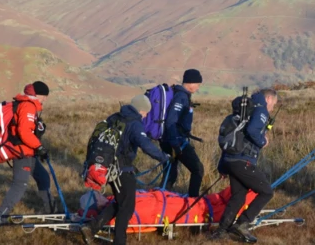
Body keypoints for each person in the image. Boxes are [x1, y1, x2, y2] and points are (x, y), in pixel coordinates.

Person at [80, 95, 170, 245]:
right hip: (121, 170)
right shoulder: (134, 124)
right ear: (141, 110)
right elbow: (145, 145)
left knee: (122, 203)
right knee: (127, 208)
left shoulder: (115, 117)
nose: (146, 115)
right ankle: (118, 241)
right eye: (146, 112)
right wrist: (164, 157)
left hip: (108, 167)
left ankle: (91, 228)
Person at [210, 88, 277, 243]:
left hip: (231, 161)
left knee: (238, 197)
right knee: (267, 192)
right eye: (274, 103)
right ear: (268, 99)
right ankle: (242, 224)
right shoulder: (260, 110)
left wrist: (222, 167)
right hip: (243, 161)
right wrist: (262, 141)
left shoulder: (244, 110)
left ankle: (221, 232)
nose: (273, 107)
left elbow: (233, 138)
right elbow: (252, 130)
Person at [0, 81, 54, 226]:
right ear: (37, 94)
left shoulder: (28, 105)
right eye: (44, 96)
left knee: (43, 178)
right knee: (20, 185)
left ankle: (51, 210)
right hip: (22, 153)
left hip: (29, 153)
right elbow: (24, 132)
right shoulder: (27, 106)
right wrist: (39, 147)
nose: (45, 99)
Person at [160, 69, 204, 197]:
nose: (198, 87)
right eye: (198, 84)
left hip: (170, 140)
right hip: (175, 141)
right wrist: (175, 144)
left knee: (170, 174)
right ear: (191, 82)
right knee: (197, 169)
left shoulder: (180, 95)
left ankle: (161, 202)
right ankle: (193, 202)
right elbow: (171, 121)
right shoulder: (181, 97)